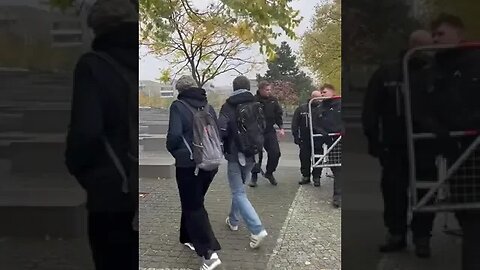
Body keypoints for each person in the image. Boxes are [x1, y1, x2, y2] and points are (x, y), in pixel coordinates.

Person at [64, 1, 138, 269]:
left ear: (96, 26)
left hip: (110, 193)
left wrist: (78, 168)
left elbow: (86, 132)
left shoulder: (94, 65)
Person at [363, 29, 436, 258]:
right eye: (421, 45)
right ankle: (396, 233)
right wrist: (374, 139)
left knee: (426, 190)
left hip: (426, 143)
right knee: (394, 190)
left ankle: (422, 236)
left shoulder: (434, 72)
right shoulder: (388, 72)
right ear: (412, 44)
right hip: (394, 144)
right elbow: (371, 107)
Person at [166, 75, 222, 270]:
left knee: (194, 207)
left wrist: (176, 152)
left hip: (189, 165)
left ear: (180, 91)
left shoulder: (178, 106)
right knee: (193, 201)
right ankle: (187, 237)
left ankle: (209, 254)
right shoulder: (208, 106)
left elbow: (173, 136)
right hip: (210, 163)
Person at [218, 76, 269, 249]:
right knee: (239, 190)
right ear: (248, 87)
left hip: (234, 154)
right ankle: (233, 221)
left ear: (233, 88)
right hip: (252, 153)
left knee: (238, 192)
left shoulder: (228, 106)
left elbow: (222, 130)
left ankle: (257, 229)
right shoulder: (256, 104)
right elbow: (264, 127)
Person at [249, 81, 285, 187]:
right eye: (267, 90)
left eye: (270, 89)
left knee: (275, 153)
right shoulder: (253, 101)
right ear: (260, 90)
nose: (269, 92)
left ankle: (269, 172)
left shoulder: (273, 101)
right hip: (257, 131)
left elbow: (278, 114)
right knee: (256, 155)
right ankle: (254, 176)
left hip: (269, 130)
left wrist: (281, 128)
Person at [315, 84, 343, 207]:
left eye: (324, 92)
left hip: (343, 138)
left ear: (333, 92)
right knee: (336, 168)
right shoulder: (320, 108)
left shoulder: (341, 104)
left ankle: (339, 195)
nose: (322, 94)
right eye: (321, 92)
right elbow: (316, 124)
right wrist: (323, 133)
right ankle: (338, 195)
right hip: (331, 141)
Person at [292, 90, 324, 187]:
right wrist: (296, 136)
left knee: (318, 157)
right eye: (317, 98)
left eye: (320, 99)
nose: (318, 101)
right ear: (312, 97)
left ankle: (317, 177)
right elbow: (295, 123)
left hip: (318, 138)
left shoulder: (322, 109)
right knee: (304, 158)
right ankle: (305, 176)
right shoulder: (302, 109)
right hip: (305, 138)